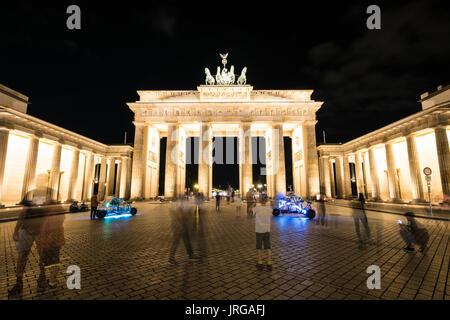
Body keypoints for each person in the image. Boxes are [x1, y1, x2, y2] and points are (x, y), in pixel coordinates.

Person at [8, 205, 45, 297]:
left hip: (40, 232)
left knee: (43, 255)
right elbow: (22, 216)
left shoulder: (46, 203)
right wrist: (16, 231)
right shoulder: (29, 204)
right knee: (22, 256)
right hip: (27, 231)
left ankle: (42, 277)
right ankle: (19, 281)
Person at [36, 211, 65, 291]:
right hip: (55, 243)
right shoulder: (57, 216)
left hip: (49, 244)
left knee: (49, 263)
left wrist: (41, 242)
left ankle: (51, 282)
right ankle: (52, 281)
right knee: (53, 262)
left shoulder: (49, 217)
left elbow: (45, 231)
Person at [168, 197, 200, 265]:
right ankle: (171, 258)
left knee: (187, 240)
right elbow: (178, 213)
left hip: (183, 225)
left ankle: (191, 255)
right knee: (176, 242)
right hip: (178, 226)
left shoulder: (182, 203)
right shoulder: (179, 204)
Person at [252, 195, 273, 270]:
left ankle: (260, 262)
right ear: (267, 200)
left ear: (259, 200)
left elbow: (251, 211)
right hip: (267, 230)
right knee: (268, 247)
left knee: (259, 247)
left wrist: (255, 203)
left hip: (259, 230)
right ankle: (269, 262)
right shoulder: (269, 208)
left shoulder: (257, 208)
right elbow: (272, 213)